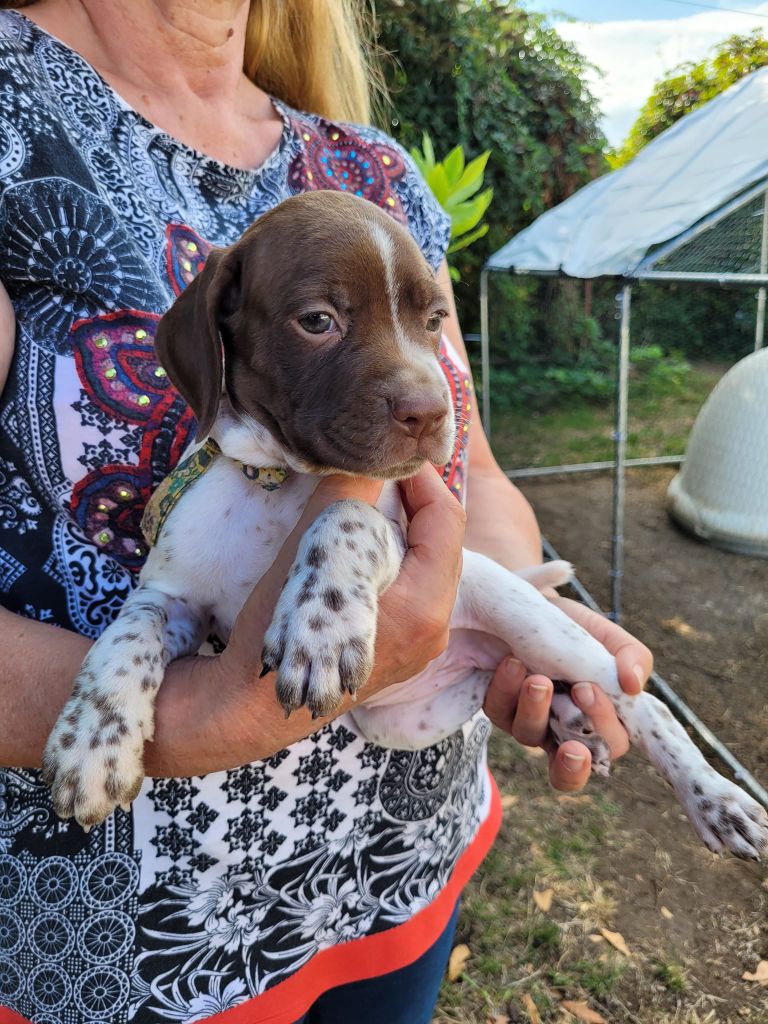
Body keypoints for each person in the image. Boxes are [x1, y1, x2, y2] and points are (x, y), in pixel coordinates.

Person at [0, 2, 652, 1021]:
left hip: (396, 874)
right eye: (317, 319)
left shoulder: (373, 172)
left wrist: (499, 617)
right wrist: (203, 715)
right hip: (123, 957)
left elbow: (467, 468)